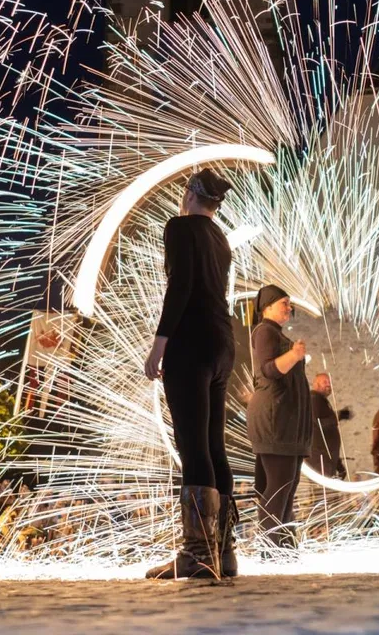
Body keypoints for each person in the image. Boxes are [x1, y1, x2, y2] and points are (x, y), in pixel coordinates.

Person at [143, 167, 236, 580]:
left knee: (193, 447)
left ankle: (198, 555)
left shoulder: (179, 228)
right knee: (214, 446)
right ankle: (224, 553)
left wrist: (158, 346)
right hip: (223, 343)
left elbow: (178, 287)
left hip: (191, 344)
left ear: (189, 195)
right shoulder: (220, 239)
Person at [247, 285, 312, 552]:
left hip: (287, 424)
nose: (289, 307)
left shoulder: (276, 333)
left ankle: (284, 548)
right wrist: (294, 355)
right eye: (284, 302)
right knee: (279, 486)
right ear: (268, 307)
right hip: (275, 423)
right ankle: (271, 548)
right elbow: (269, 370)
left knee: (287, 486)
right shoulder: (264, 331)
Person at [307, 373, 350, 479]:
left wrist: (337, 462)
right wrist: (338, 416)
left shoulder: (321, 401)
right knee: (323, 493)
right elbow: (319, 424)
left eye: (329, 382)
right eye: (325, 382)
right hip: (319, 460)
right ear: (316, 384)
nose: (328, 385)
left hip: (325, 458)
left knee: (327, 492)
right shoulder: (314, 399)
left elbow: (326, 435)